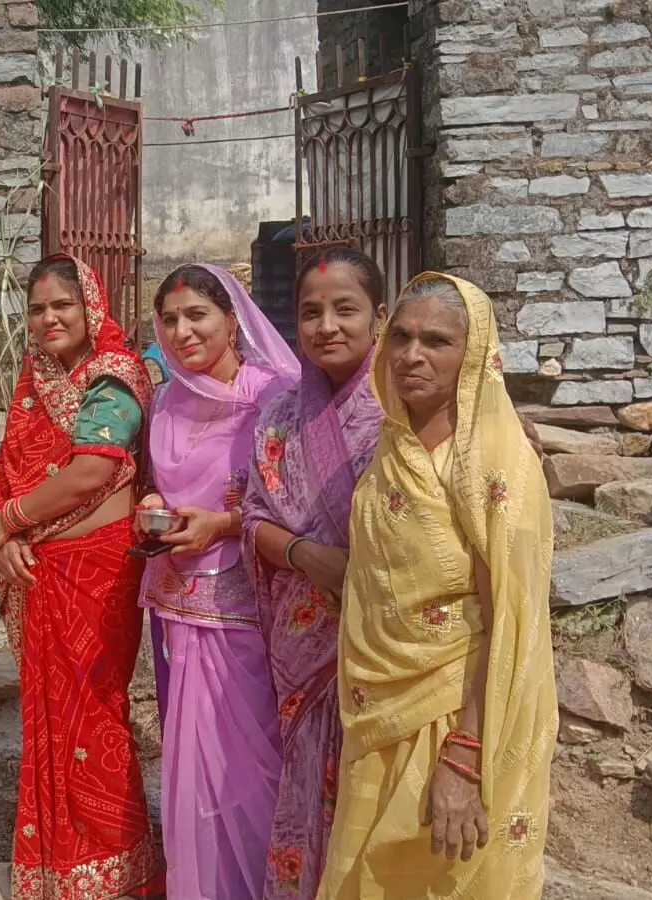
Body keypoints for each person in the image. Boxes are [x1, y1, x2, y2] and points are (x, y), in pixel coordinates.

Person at [319, 273, 556, 898]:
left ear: (473, 354)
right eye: (399, 337)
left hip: (455, 713)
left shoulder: (494, 463)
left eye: (436, 341)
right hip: (379, 709)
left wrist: (465, 754)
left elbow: (511, 616)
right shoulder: (391, 445)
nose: (411, 355)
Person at [0, 254, 162, 899]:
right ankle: (62, 870)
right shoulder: (38, 379)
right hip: (40, 568)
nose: (50, 317)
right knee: (50, 721)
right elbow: (16, 469)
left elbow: (90, 471)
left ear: (92, 306)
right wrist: (6, 542)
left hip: (95, 571)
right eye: (37, 308)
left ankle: (114, 869)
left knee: (93, 716)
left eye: (64, 304)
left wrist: (8, 519)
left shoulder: (112, 377)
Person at [137, 262, 300, 900]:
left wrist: (224, 524)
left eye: (196, 315)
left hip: (248, 606)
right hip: (177, 603)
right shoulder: (166, 398)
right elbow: (166, 485)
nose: (182, 332)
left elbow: (293, 503)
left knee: (248, 761)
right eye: (169, 320)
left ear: (232, 320)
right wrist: (156, 507)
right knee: (191, 760)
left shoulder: (274, 394)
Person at [240, 248, 387, 900]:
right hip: (305, 649)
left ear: (380, 317)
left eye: (345, 308)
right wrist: (309, 556)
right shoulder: (277, 416)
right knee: (309, 790)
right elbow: (252, 520)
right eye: (310, 312)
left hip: (392, 649)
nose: (327, 324)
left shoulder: (408, 413)